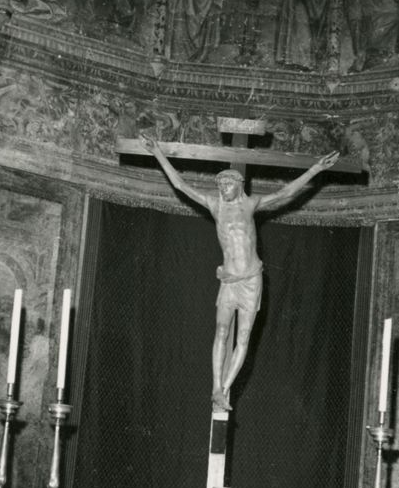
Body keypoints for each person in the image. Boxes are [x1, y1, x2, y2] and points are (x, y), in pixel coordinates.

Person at [141, 133, 339, 410]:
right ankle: (215, 387)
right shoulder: (214, 205)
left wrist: (316, 168)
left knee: (243, 337)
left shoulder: (250, 204)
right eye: (220, 184)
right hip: (230, 280)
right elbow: (181, 185)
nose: (223, 188)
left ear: (239, 185)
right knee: (221, 331)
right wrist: (157, 153)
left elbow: (286, 193)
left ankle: (224, 388)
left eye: (227, 183)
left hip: (251, 279)